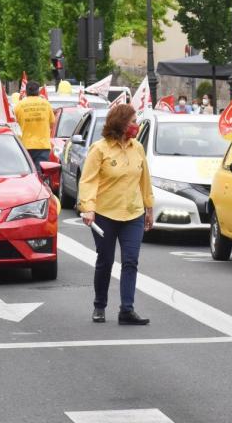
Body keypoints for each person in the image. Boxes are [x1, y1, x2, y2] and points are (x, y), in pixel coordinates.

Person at [78, 104, 154, 326]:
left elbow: (145, 180)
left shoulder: (137, 148)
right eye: (132, 121)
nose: (136, 125)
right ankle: (99, 306)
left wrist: (149, 208)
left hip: (133, 214)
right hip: (105, 214)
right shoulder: (99, 149)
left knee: (130, 261)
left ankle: (126, 310)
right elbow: (88, 180)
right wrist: (88, 207)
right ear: (120, 123)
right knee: (106, 260)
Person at [13, 81, 54, 169]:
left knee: (27, 172)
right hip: (43, 145)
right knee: (40, 173)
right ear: (38, 91)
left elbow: (14, 125)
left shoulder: (19, 106)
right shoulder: (46, 104)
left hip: (25, 145)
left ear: (26, 91)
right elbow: (52, 123)